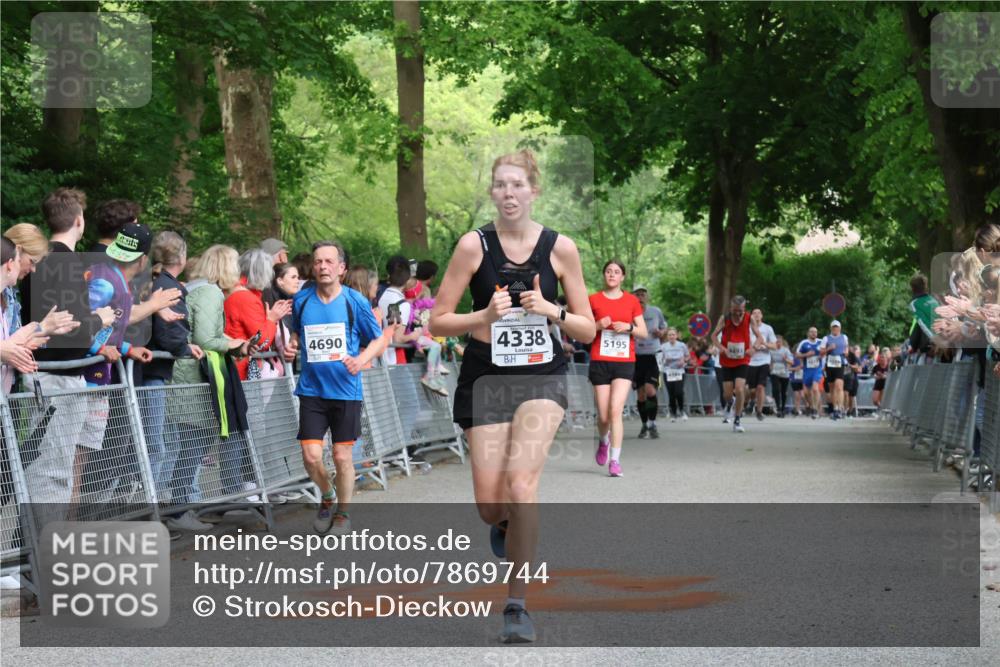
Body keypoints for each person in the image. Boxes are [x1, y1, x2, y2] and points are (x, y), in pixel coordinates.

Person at [429, 149, 595, 643]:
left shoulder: (560, 248)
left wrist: (551, 309)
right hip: (485, 379)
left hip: (541, 378)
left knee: (522, 487)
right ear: (492, 193)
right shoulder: (472, 246)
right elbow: (436, 320)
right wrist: (483, 317)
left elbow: (586, 329)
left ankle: (517, 604)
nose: (508, 193)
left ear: (533, 191)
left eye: (517, 184)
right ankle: (505, 524)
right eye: (500, 185)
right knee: (489, 503)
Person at [282, 241, 393, 535]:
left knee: (342, 457)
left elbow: (380, 340)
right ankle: (327, 495)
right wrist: (292, 346)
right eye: (318, 262)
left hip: (346, 391)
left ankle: (343, 513)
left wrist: (361, 359)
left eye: (329, 262)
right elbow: (296, 333)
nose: (323, 267)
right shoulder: (303, 300)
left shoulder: (354, 301)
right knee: (311, 457)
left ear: (341, 268)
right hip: (312, 390)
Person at [20, 189, 116, 515]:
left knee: (43, 464)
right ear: (79, 221)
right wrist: (100, 318)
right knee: (53, 471)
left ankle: (35, 550)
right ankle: (41, 553)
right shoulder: (70, 265)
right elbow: (73, 329)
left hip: (40, 375)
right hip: (61, 380)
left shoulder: (36, 262)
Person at [168, 245, 254, 531]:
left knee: (190, 445)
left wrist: (229, 341)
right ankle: (178, 510)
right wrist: (234, 344)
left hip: (191, 375)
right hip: (195, 378)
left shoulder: (196, 289)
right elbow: (206, 338)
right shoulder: (210, 293)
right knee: (193, 444)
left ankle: (179, 507)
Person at [143, 232, 204, 496]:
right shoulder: (168, 286)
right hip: (152, 372)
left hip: (151, 371)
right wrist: (184, 347)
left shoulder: (151, 280)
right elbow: (169, 331)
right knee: (156, 446)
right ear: (182, 257)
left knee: (163, 442)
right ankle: (149, 512)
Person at [588, 261, 647, 473]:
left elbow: (643, 331)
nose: (612, 275)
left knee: (615, 411)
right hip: (600, 361)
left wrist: (629, 327)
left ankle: (615, 461)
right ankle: (604, 441)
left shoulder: (632, 301)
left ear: (622, 277)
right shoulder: (593, 299)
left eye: (617, 272)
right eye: (609, 271)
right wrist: (597, 325)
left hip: (624, 361)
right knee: (603, 416)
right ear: (604, 275)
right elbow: (583, 331)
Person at [225, 249, 291, 380]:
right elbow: (261, 341)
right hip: (241, 370)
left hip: (235, 365)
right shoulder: (246, 298)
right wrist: (272, 319)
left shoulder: (235, 292)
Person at [711, 296, 764, 433]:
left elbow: (759, 337)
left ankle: (737, 419)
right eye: (735, 310)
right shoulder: (725, 318)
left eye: (740, 310)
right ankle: (730, 403)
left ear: (744, 309)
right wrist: (722, 349)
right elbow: (713, 336)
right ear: (731, 308)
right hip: (727, 360)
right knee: (727, 394)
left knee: (740, 389)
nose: (738, 313)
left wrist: (754, 348)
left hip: (742, 359)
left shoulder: (748, 318)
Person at [632, 285, 666, 437]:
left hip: (653, 354)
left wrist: (661, 332)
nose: (640, 297)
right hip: (636, 356)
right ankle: (644, 424)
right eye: (637, 294)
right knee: (640, 394)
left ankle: (653, 423)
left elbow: (664, 327)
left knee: (650, 389)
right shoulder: (629, 312)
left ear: (647, 297)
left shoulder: (655, 311)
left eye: (643, 294)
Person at [746, 308, 776, 421]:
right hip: (751, 361)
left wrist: (764, 344)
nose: (757, 315)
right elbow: (745, 343)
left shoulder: (768, 328)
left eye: (759, 313)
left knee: (760, 386)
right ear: (751, 316)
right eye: (754, 313)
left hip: (764, 360)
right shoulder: (747, 328)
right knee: (752, 390)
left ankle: (759, 411)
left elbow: (774, 346)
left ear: (762, 316)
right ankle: (752, 400)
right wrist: (753, 347)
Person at [819, 320, 850, 420]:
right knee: (832, 388)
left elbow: (847, 349)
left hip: (840, 363)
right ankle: (834, 407)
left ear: (840, 328)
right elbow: (821, 352)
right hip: (830, 364)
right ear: (831, 328)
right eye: (833, 327)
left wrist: (845, 352)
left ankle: (839, 408)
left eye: (837, 327)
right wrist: (829, 348)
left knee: (839, 386)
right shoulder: (826, 338)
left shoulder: (844, 337)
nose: (835, 329)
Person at [657, 327, 689, 422]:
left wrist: (683, 360)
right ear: (667, 336)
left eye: (673, 335)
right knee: (671, 394)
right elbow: (659, 359)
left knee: (679, 392)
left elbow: (687, 356)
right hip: (668, 371)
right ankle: (673, 413)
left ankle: (682, 411)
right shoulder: (663, 347)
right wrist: (664, 361)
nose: (671, 336)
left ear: (676, 336)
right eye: (669, 335)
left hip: (679, 371)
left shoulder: (682, 345)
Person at [796, 327, 824, 419]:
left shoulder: (821, 342)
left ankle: (815, 410)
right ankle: (812, 406)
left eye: (815, 332)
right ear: (808, 333)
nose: (814, 333)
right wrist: (806, 355)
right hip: (807, 370)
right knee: (806, 392)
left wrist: (822, 355)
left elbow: (826, 351)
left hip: (817, 369)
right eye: (812, 332)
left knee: (815, 389)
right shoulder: (804, 343)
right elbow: (797, 354)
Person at [769, 335, 794, 418]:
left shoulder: (786, 350)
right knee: (776, 389)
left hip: (784, 373)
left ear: (782, 342)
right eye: (776, 342)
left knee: (784, 392)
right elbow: (769, 361)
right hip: (775, 372)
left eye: (779, 342)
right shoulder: (771, 350)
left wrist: (785, 359)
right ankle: (778, 408)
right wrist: (770, 365)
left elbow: (791, 362)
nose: (778, 343)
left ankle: (783, 408)